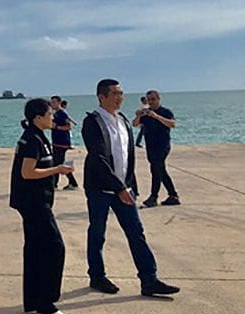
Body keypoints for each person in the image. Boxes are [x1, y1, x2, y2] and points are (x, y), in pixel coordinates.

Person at [81, 79, 180, 297]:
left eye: (121, 93)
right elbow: (98, 157)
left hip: (124, 188)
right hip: (100, 189)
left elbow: (128, 156)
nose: (120, 97)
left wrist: (130, 185)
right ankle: (97, 276)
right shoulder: (92, 122)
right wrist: (118, 187)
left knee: (136, 232)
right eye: (115, 93)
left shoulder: (124, 121)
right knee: (98, 233)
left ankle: (149, 280)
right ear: (102, 97)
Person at [9, 98, 72, 314]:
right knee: (55, 248)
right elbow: (27, 172)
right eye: (49, 114)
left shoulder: (39, 136)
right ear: (38, 118)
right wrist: (58, 169)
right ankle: (46, 303)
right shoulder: (32, 139)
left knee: (35, 249)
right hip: (34, 203)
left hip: (37, 201)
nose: (52, 117)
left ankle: (34, 300)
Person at [133, 90, 179, 207]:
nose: (151, 102)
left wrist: (157, 117)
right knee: (160, 170)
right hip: (150, 146)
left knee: (155, 170)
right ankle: (173, 195)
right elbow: (135, 124)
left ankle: (153, 197)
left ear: (158, 99)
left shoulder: (165, 112)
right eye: (149, 100)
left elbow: (172, 124)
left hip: (162, 145)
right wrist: (139, 115)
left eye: (153, 99)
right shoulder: (146, 114)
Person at [50, 96, 78, 190]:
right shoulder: (55, 113)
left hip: (62, 142)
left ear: (59, 102)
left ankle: (69, 183)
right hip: (56, 141)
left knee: (58, 163)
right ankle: (58, 183)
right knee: (57, 163)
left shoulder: (62, 113)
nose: (52, 104)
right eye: (51, 102)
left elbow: (68, 126)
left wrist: (56, 127)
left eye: (54, 102)